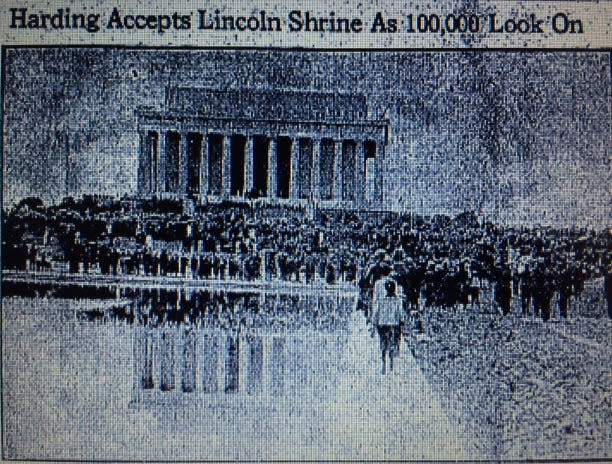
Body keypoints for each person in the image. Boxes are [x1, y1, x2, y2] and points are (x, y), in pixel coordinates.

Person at [371, 278, 404, 374]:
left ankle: (384, 365)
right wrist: (401, 321)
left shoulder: (381, 300)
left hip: (383, 324)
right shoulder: (398, 300)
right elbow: (401, 313)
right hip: (394, 324)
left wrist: (374, 324)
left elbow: (376, 313)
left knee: (383, 344)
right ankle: (391, 364)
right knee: (392, 343)